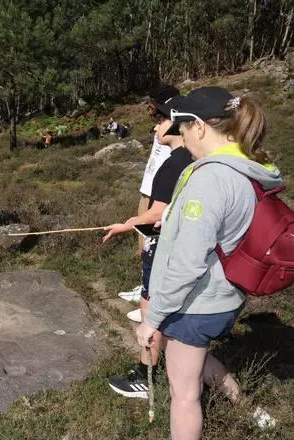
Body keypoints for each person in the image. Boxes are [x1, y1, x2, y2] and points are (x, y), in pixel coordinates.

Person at [135, 87, 281, 440]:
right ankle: (248, 408)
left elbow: (187, 264)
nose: (182, 139)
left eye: (183, 130)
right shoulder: (246, 168)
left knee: (183, 396)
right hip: (225, 294)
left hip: (197, 301)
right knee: (193, 357)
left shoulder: (210, 178)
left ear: (199, 126)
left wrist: (152, 319)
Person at [102, 95, 194, 398]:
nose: (156, 128)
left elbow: (157, 214)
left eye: (161, 121)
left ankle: (146, 375)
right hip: (184, 248)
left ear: (177, 124)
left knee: (150, 306)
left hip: (162, 247)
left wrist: (124, 227)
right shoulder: (196, 159)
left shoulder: (174, 163)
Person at [117, 85, 180, 310]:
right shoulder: (161, 125)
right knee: (143, 243)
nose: (149, 108)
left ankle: (150, 297)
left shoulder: (175, 125)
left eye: (153, 102)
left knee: (152, 243)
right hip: (148, 189)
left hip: (159, 194)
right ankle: (144, 286)